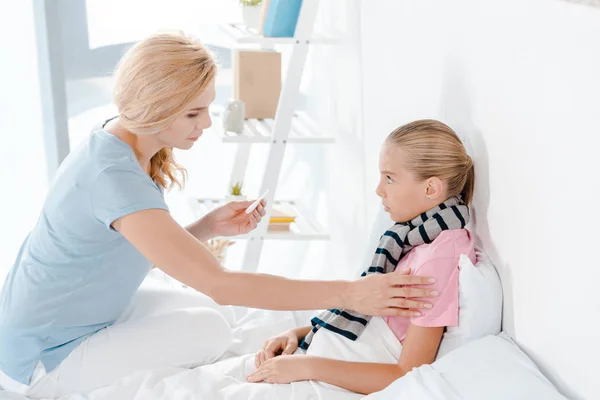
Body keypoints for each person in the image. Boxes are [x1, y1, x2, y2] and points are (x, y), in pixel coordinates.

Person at [0, 32, 438, 397]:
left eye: (207, 106)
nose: (206, 123)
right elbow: (221, 284)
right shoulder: (112, 175)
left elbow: (123, 246)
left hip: (74, 313)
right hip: (44, 356)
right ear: (155, 106)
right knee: (209, 327)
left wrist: (206, 228)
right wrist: (349, 293)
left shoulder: (118, 141)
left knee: (208, 316)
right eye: (193, 112)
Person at [248, 119, 476, 395]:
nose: (379, 189)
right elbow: (367, 309)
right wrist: (296, 335)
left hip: (327, 370)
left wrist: (306, 366)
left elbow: (406, 373)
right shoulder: (410, 237)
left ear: (430, 189)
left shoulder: (439, 257)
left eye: (389, 178)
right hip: (318, 354)